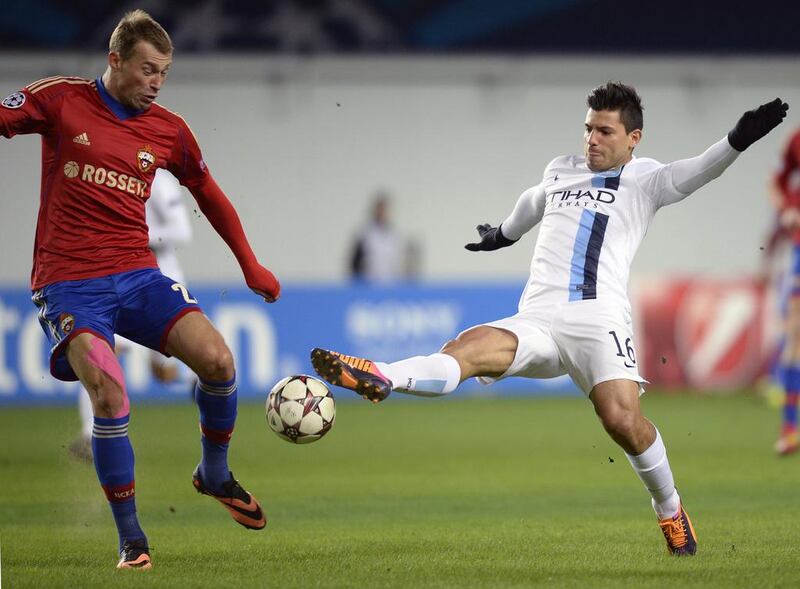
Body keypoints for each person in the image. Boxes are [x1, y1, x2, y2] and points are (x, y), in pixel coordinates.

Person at [311, 82, 788, 557]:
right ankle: (382, 375)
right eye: (587, 129)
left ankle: (669, 508)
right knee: (466, 348)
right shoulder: (562, 169)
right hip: (537, 316)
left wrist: (738, 138)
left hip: (598, 319)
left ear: (633, 138)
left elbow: (700, 170)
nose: (592, 140)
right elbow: (535, 200)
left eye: (604, 131)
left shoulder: (647, 181)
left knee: (621, 420)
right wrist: (504, 233)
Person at [1, 10, 280, 570]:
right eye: (147, 70)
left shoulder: (169, 130)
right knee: (109, 393)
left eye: (164, 73)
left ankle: (214, 472)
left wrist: (249, 264)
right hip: (69, 285)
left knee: (219, 362)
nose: (156, 82)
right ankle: (132, 541)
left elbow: (209, 193)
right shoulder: (60, 100)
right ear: (115, 61)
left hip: (138, 273)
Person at [70, 168, 193, 462]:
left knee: (165, 373)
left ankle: (200, 384)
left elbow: (182, 230)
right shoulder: (105, 177)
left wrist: (134, 235)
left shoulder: (159, 180)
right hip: (117, 279)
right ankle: (91, 434)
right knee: (99, 351)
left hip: (158, 280)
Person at [770, 126, 800, 455]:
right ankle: (790, 428)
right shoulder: (795, 140)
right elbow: (778, 181)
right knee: (795, 333)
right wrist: (787, 209)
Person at [349, 192, 411, 283]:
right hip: (369, 283)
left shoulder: (395, 235)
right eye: (380, 209)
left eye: (384, 210)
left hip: (391, 283)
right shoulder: (364, 234)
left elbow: (399, 261)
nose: (382, 213)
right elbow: (355, 263)